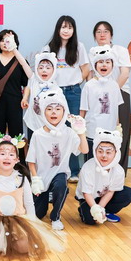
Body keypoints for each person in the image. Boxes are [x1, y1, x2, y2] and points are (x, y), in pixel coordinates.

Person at [0, 139, 65, 258]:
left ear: (17, 159)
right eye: (2, 154)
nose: (7, 157)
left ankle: (13, 241)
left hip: (18, 219)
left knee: (24, 247)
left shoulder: (21, 178)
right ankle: (7, 241)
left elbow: (29, 203)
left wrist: (33, 225)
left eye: (11, 154)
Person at [25, 89, 89, 230]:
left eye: (58, 109)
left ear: (64, 112)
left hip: (59, 174)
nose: (53, 112)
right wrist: (35, 179)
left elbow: (84, 150)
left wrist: (81, 132)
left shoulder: (68, 132)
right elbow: (31, 160)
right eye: (49, 109)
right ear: (43, 112)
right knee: (37, 214)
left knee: (61, 184)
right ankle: (44, 201)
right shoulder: (38, 134)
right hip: (41, 179)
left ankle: (56, 217)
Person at [46, 15, 90, 182]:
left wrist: (76, 81)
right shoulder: (48, 48)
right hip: (55, 93)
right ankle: (56, 170)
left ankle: (73, 171)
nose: (66, 30)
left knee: (73, 129)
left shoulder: (79, 47)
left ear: (74, 30)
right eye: (63, 27)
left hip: (73, 92)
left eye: (70, 27)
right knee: (56, 130)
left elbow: (85, 69)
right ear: (58, 29)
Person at [92, 21, 131, 169]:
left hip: (120, 92)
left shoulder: (120, 50)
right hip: (99, 96)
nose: (102, 34)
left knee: (121, 132)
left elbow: (125, 73)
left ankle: (119, 171)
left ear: (111, 35)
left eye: (106, 31)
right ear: (95, 36)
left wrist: (112, 91)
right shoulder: (92, 52)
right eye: (98, 31)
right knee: (100, 131)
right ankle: (100, 168)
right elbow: (91, 75)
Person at [75, 128, 131, 225]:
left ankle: (106, 212)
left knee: (129, 193)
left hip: (105, 197)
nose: (104, 156)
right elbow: (86, 193)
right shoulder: (88, 167)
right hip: (89, 198)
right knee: (90, 220)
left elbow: (110, 192)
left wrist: (100, 209)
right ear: (95, 151)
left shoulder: (119, 171)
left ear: (116, 153)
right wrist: (95, 209)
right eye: (100, 151)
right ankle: (84, 209)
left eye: (108, 152)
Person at [0, 30, 31, 145]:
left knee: (16, 134)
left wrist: (25, 98)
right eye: (2, 40)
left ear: (15, 42)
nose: (5, 43)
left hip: (15, 102)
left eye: (8, 40)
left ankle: (18, 156)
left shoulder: (21, 61)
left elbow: (28, 84)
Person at [80, 45, 123, 157]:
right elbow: (83, 110)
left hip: (110, 132)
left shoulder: (114, 85)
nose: (104, 65)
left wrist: (118, 127)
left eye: (108, 62)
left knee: (107, 160)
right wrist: (80, 129)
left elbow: (116, 109)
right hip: (92, 132)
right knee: (91, 160)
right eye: (100, 62)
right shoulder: (89, 86)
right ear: (95, 65)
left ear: (112, 65)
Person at [22, 51, 59, 134]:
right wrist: (25, 98)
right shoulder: (33, 79)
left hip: (49, 124)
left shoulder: (56, 88)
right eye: (41, 68)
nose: (44, 70)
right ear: (36, 69)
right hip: (33, 122)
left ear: (54, 70)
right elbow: (23, 64)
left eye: (48, 68)